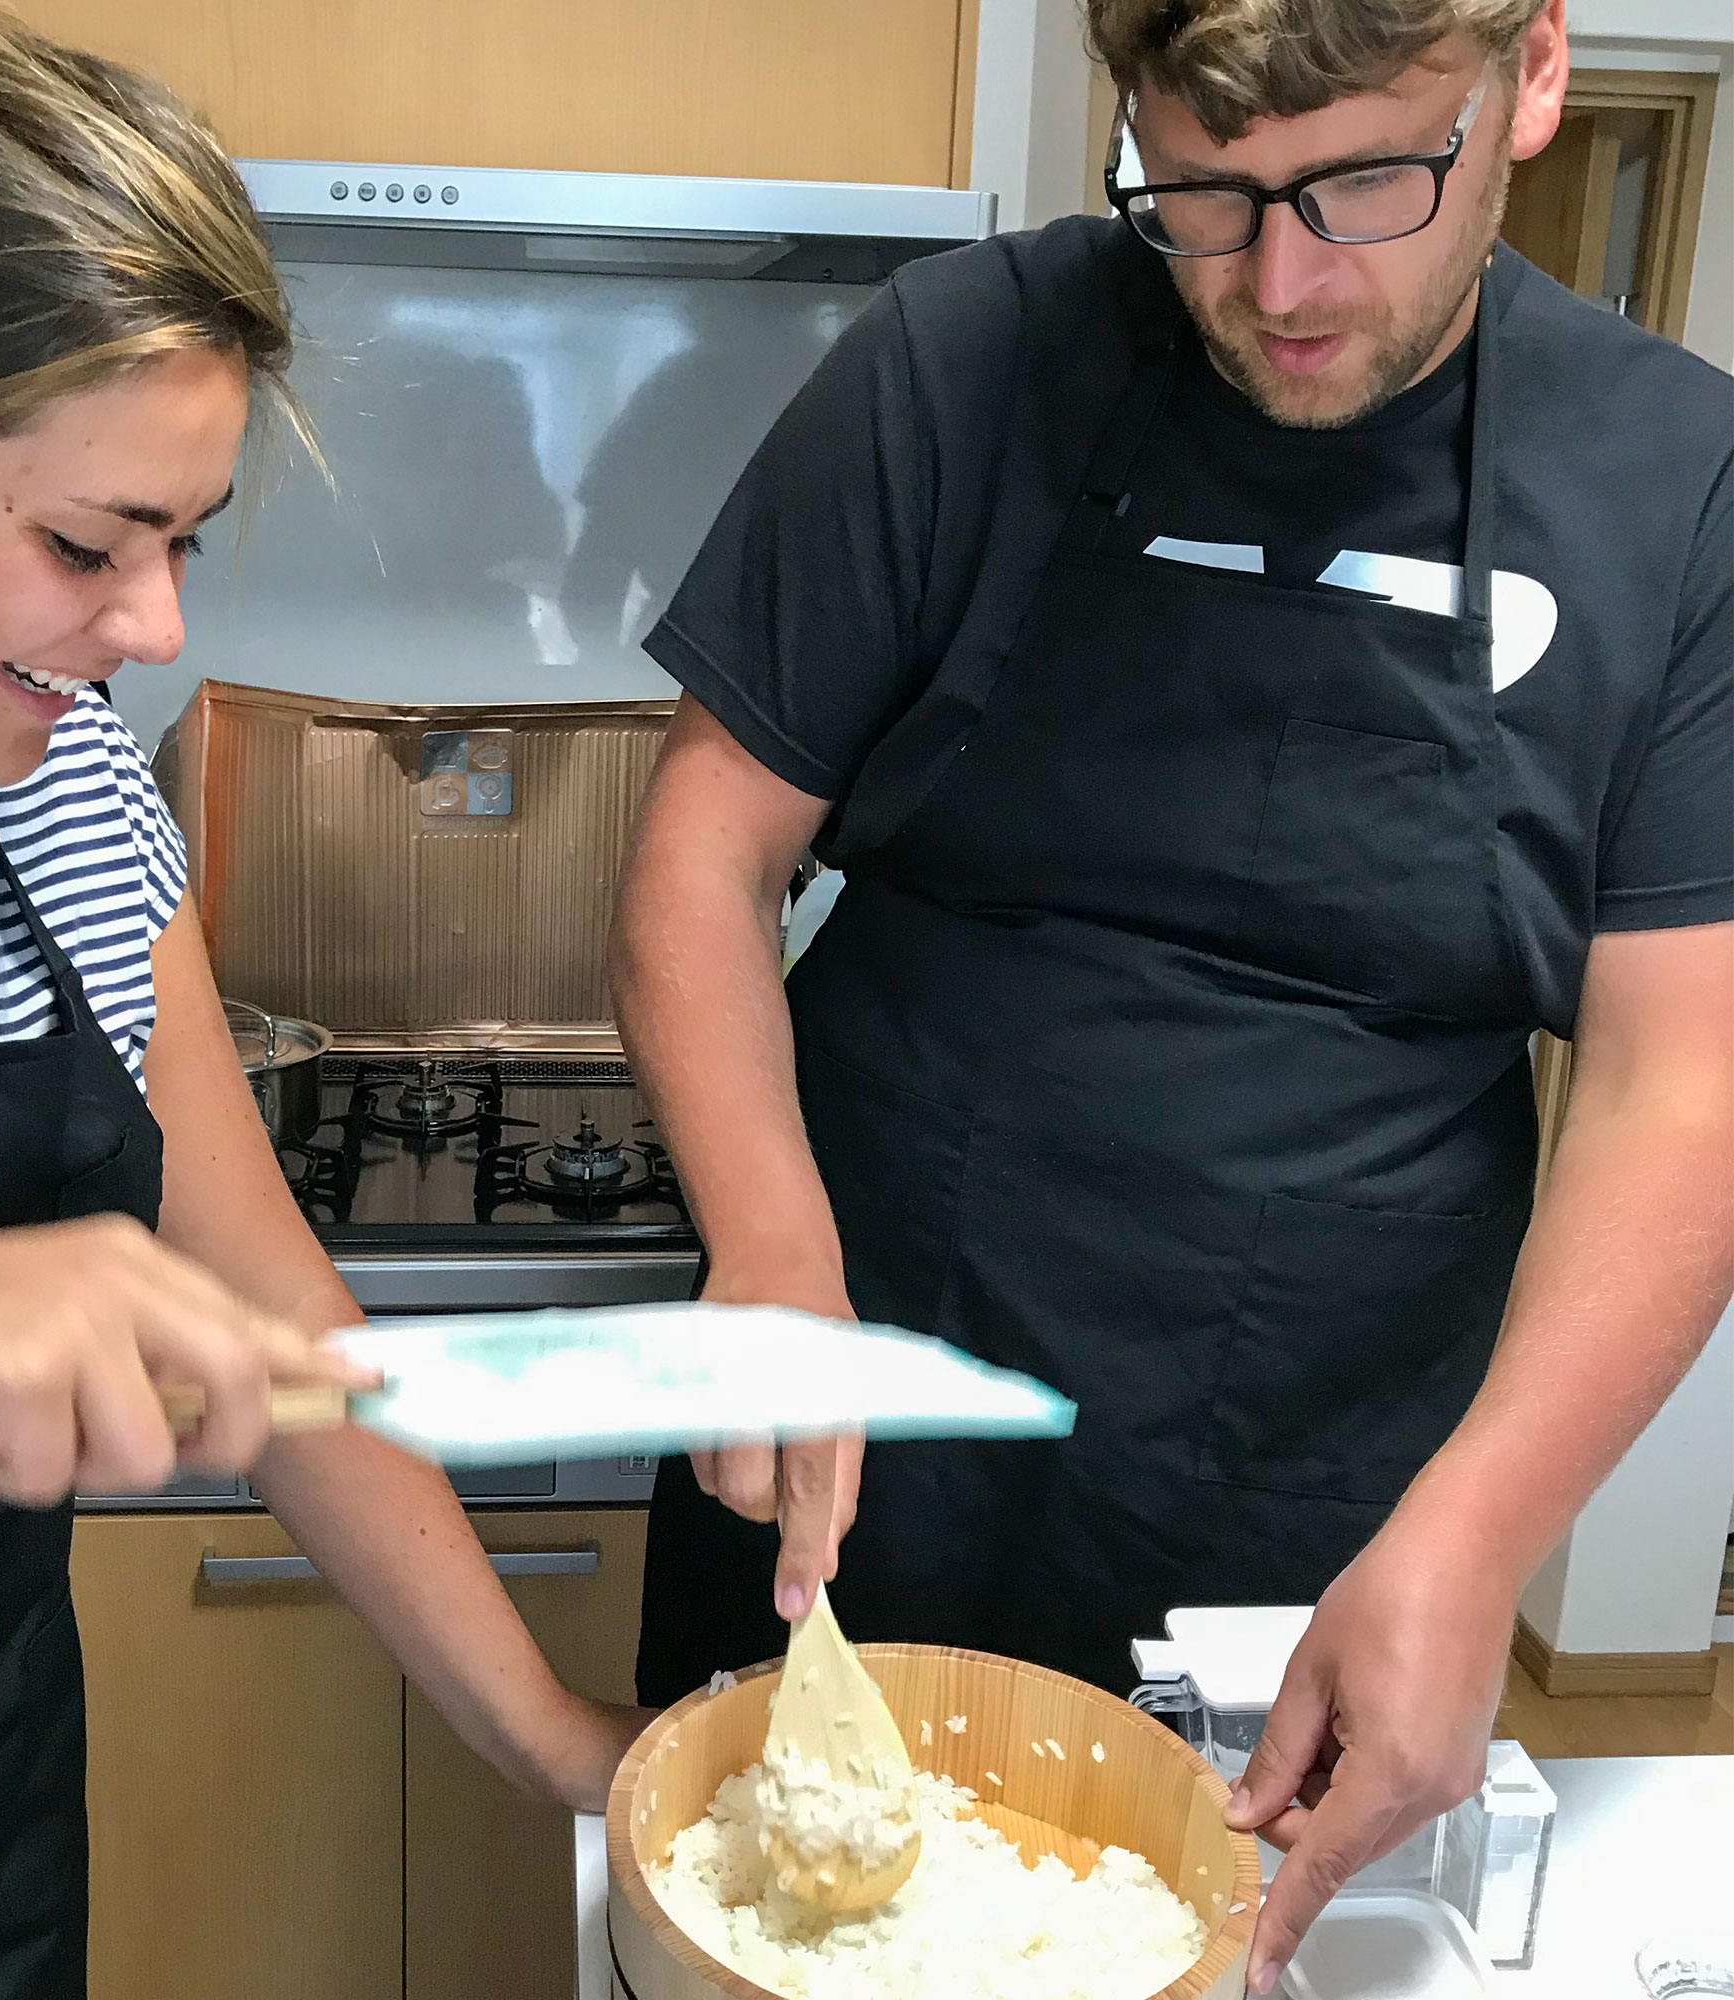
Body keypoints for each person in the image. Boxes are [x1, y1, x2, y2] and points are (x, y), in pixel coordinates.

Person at [608, 0, 1732, 1985]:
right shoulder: (957, 363)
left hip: (1316, 1481)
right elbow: (704, 853)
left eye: (1371, 182)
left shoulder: (1679, 485)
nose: (1281, 281)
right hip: (870, 1393)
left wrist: (1476, 1536)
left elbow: (1679, 1079)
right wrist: (770, 1249)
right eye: (1201, 193)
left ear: (1532, 76)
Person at [0, 10, 641, 1995]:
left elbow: (271, 1317)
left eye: (176, 545)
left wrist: (561, 1748)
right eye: (82, 542)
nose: (151, 631)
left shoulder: (51, 786)